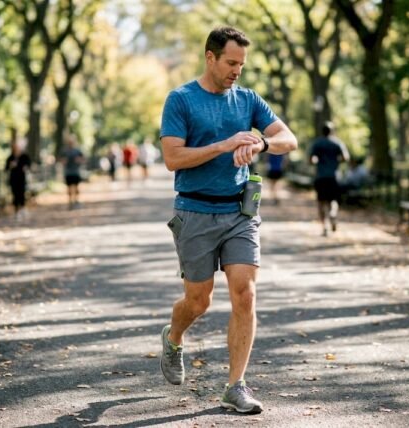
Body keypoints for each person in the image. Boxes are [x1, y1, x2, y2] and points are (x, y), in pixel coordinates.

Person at [159, 26, 297, 415]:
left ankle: (236, 385)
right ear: (210, 57)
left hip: (239, 211)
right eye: (231, 62)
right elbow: (173, 158)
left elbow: (290, 138)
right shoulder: (181, 99)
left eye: (242, 64)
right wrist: (223, 146)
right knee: (198, 300)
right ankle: (174, 337)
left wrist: (260, 142)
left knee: (245, 293)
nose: (238, 70)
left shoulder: (248, 99)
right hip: (195, 211)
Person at [309, 121, 349, 235]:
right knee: (334, 200)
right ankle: (333, 214)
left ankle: (324, 227)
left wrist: (317, 161)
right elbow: (346, 158)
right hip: (334, 176)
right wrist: (336, 161)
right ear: (332, 131)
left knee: (321, 202)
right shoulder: (337, 143)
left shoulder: (317, 143)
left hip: (320, 176)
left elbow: (311, 160)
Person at [4, 130, 32, 220]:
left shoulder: (24, 157)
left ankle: (23, 209)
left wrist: (26, 168)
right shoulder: (10, 158)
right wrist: (10, 166)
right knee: (15, 195)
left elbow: (29, 165)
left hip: (22, 178)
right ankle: (17, 211)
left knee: (22, 194)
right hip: (13, 179)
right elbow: (5, 169)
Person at [60, 135, 85, 209]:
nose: (70, 143)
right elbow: (61, 160)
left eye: (72, 142)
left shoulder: (77, 151)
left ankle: (76, 200)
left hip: (76, 172)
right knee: (69, 187)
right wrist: (64, 161)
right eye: (69, 142)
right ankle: (70, 201)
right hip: (68, 172)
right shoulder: (64, 151)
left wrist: (78, 160)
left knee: (76, 187)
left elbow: (83, 159)